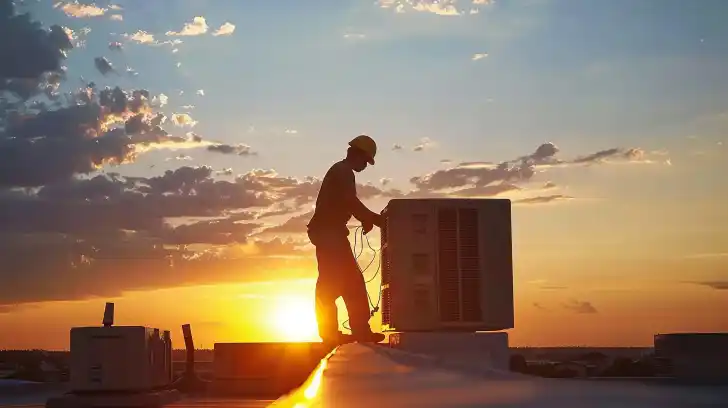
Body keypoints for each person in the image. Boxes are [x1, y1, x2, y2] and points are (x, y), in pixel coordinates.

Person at [307, 135, 386, 345]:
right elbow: (350, 200)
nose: (366, 166)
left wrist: (366, 219)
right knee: (347, 283)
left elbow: (346, 203)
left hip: (328, 233)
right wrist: (374, 219)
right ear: (357, 155)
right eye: (366, 161)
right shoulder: (343, 172)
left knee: (334, 284)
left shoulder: (340, 171)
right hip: (328, 234)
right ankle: (355, 331)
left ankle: (334, 332)